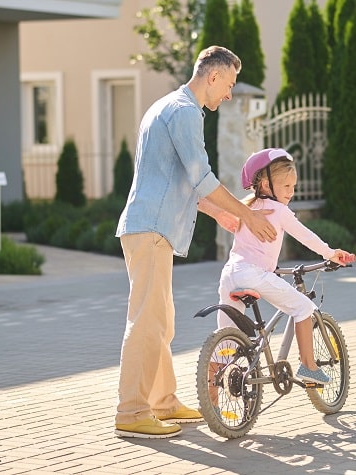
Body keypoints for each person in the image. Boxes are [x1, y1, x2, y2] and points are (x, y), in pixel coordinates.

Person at [113, 45, 277, 439]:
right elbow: (201, 176)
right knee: (147, 322)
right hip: (152, 230)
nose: (230, 95)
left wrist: (217, 212)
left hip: (150, 228)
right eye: (230, 84)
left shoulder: (164, 106)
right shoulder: (186, 112)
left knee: (160, 320)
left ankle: (163, 402)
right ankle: (132, 410)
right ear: (213, 76)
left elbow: (176, 179)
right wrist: (246, 214)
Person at [215, 148, 354, 388]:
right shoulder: (279, 211)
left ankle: (211, 400)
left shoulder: (248, 207)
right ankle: (309, 368)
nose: (291, 192)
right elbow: (305, 236)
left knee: (224, 341)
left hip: (230, 274)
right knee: (303, 308)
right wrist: (332, 254)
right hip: (253, 275)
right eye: (287, 186)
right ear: (266, 185)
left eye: (294, 186)